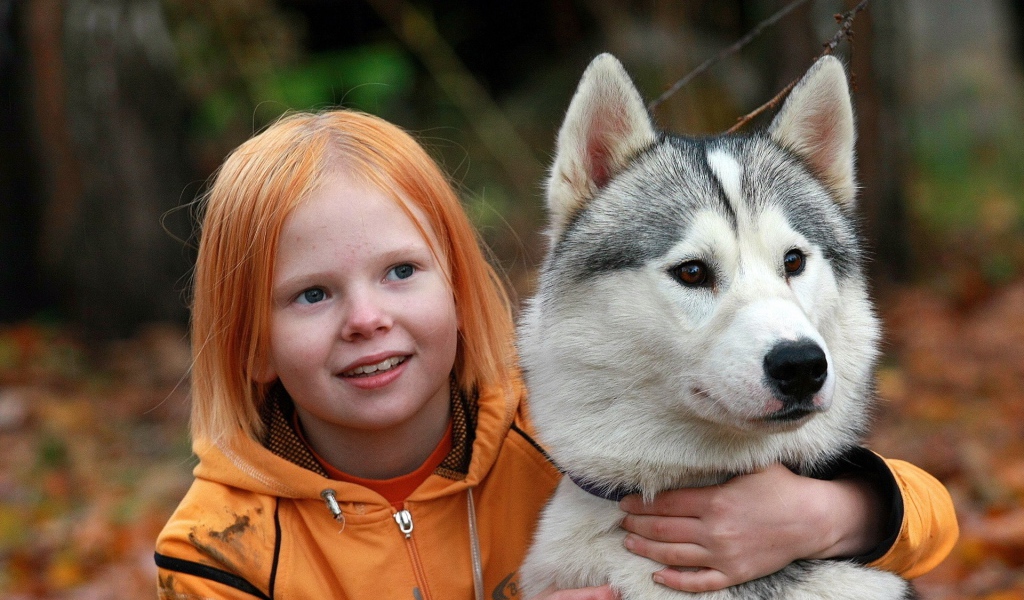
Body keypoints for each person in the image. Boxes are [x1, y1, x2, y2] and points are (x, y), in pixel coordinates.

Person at [154, 109, 957, 599]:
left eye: (401, 273)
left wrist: (833, 511)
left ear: (460, 289)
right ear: (249, 346)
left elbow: (933, 518)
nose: (366, 318)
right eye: (312, 294)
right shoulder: (219, 546)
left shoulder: (560, 439)